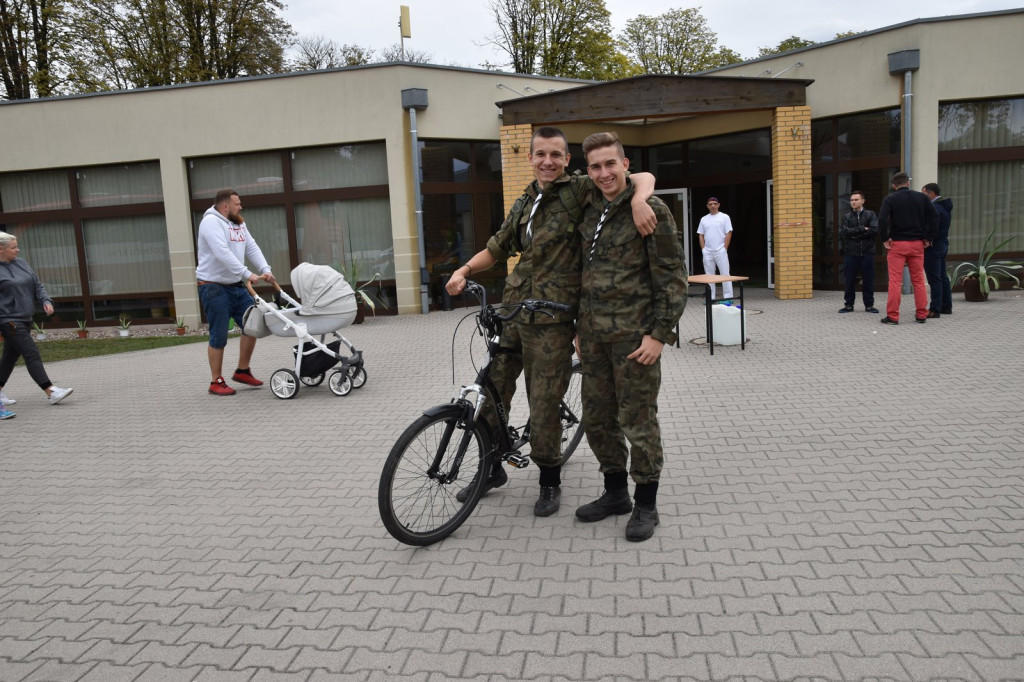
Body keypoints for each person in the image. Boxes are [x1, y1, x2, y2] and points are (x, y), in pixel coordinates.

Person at [445, 126, 657, 517]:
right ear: (530, 157)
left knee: (543, 404)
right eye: (541, 154)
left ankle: (549, 480)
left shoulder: (579, 190)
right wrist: (464, 271)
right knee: (492, 392)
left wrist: (642, 199)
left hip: (553, 318)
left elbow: (637, 177)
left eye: (556, 155)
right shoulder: (526, 199)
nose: (547, 161)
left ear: (566, 160)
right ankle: (491, 469)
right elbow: (497, 247)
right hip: (512, 313)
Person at [572, 132, 687, 542]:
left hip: (635, 340)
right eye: (595, 166)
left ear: (625, 164)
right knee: (599, 420)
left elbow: (673, 279)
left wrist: (659, 335)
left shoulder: (650, 209)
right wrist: (579, 330)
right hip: (593, 338)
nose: (604, 173)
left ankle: (647, 504)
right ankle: (616, 494)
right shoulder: (587, 208)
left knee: (638, 421)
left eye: (610, 164)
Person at [195, 189, 277, 395]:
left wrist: (265, 269)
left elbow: (251, 247)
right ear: (225, 206)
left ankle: (242, 370)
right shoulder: (210, 223)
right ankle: (216, 381)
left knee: (253, 325)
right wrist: (247, 273)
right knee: (219, 335)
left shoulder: (239, 223)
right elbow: (221, 252)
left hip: (235, 286)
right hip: (212, 287)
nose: (240, 207)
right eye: (237, 204)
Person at [0, 231, 75, 415]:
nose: (18, 250)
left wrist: (46, 301)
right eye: (13, 247)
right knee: (31, 352)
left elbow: (37, 284)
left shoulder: (21, 263)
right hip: (8, 318)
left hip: (25, 317)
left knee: (9, 358)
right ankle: (50, 391)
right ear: (1, 249)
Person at [877, 172, 938, 325]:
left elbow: (882, 220)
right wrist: (929, 237)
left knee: (895, 282)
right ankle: (921, 315)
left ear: (893, 185)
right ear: (908, 183)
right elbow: (935, 216)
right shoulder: (922, 198)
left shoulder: (889, 199)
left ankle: (893, 316)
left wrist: (884, 239)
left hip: (897, 244)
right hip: (917, 244)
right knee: (918, 281)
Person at [838, 190, 879, 313]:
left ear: (863, 201)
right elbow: (844, 232)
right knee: (850, 279)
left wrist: (856, 235)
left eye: (856, 200)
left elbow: (874, 230)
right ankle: (849, 305)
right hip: (851, 253)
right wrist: (862, 229)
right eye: (851, 200)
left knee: (868, 280)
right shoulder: (846, 216)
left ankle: (869, 305)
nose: (853, 202)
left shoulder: (870, 215)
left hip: (867, 253)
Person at [922, 183, 953, 318]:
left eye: (923, 193)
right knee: (942, 276)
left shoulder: (934, 208)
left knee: (934, 278)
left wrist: (927, 239)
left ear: (931, 193)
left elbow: (931, 227)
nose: (922, 196)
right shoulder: (944, 206)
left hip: (933, 246)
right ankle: (946, 306)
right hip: (942, 244)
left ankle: (935, 309)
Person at [696, 197, 733, 302]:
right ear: (707, 206)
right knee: (709, 275)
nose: (712, 206)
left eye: (714, 203)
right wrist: (703, 249)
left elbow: (729, 233)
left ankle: (728, 297)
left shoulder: (724, 217)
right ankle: (710, 297)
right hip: (708, 251)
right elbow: (701, 235)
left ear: (718, 205)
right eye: (710, 204)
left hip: (720, 250)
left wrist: (725, 247)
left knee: (725, 273)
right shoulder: (704, 219)